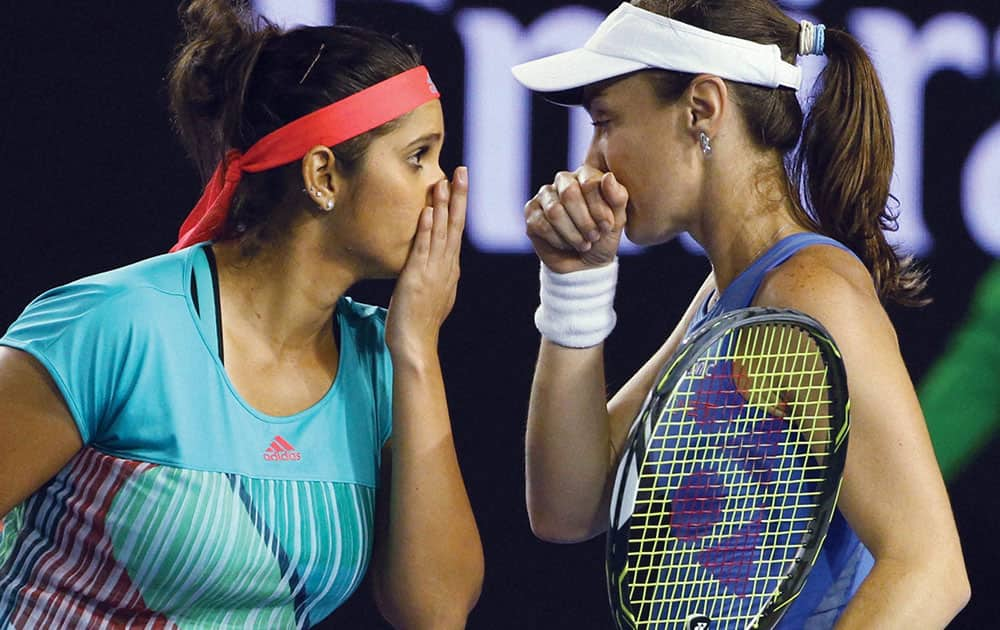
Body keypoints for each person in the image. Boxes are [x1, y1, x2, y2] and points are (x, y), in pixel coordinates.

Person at [0, 1, 482, 628]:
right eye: (419, 156)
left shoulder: (382, 365)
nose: (441, 188)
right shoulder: (116, 327)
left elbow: (437, 612)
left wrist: (416, 346)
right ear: (323, 176)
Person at [512, 1, 969, 627]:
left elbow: (930, 568)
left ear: (702, 108)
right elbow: (569, 506)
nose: (591, 162)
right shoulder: (729, 292)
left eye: (606, 120)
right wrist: (575, 285)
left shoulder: (812, 294)